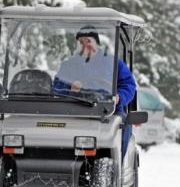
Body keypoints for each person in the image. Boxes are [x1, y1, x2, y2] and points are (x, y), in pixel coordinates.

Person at [53, 25, 136, 158]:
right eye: (81, 42)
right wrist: (69, 88)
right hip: (74, 108)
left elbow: (128, 85)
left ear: (96, 42)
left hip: (107, 109)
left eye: (88, 41)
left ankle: (118, 159)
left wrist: (119, 97)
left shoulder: (113, 63)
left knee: (124, 124)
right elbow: (56, 86)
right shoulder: (69, 64)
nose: (85, 45)